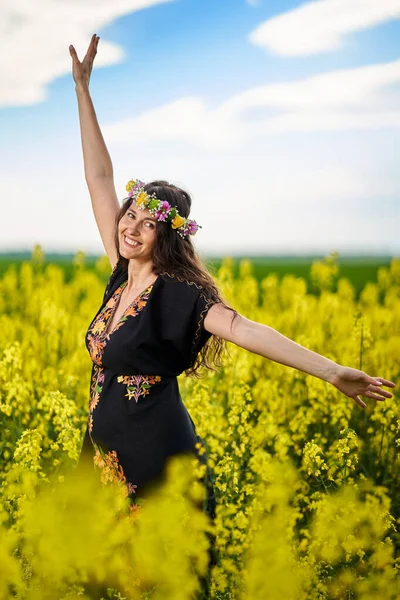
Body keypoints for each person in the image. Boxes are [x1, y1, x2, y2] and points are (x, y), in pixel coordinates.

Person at [70, 34, 396, 595]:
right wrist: (82, 91)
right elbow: (99, 179)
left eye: (149, 222)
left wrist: (332, 371)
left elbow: (246, 330)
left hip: (158, 463)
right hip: (103, 453)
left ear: (166, 235)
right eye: (132, 214)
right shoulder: (119, 271)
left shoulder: (181, 295)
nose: (131, 226)